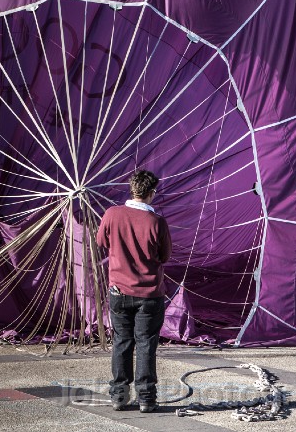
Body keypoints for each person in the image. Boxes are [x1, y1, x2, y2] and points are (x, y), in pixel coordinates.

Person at [96, 169, 171, 412]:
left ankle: (119, 395)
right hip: (149, 295)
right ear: (151, 193)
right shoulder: (157, 222)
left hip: (119, 291)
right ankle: (147, 398)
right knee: (146, 345)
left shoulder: (112, 214)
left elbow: (101, 242)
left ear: (132, 189)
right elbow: (165, 256)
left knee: (122, 342)